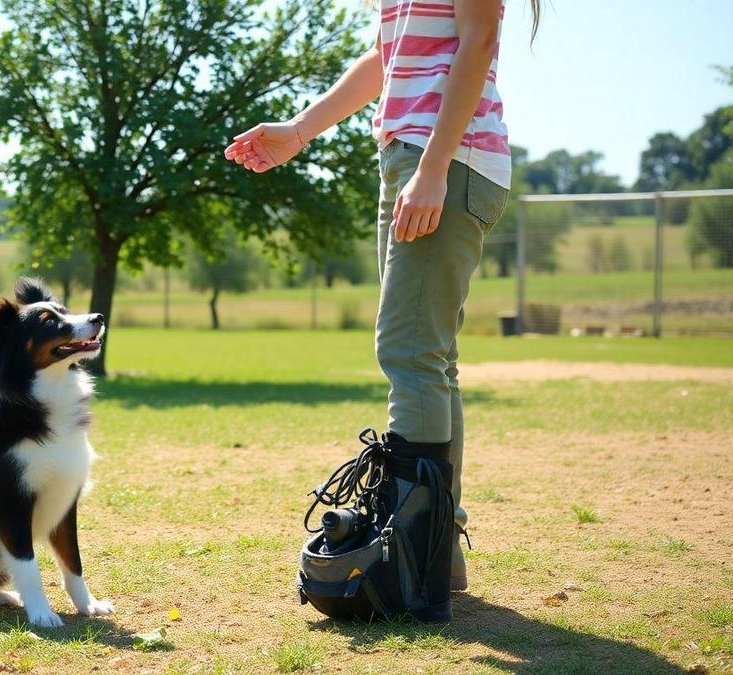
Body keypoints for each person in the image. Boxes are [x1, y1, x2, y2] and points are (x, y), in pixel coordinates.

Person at [225, 0, 538, 593]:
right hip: (408, 157)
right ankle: (433, 553)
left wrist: (435, 167)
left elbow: (479, 40)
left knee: (411, 353)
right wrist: (298, 131)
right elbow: (384, 56)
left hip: (445, 156)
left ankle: (413, 559)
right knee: (430, 359)